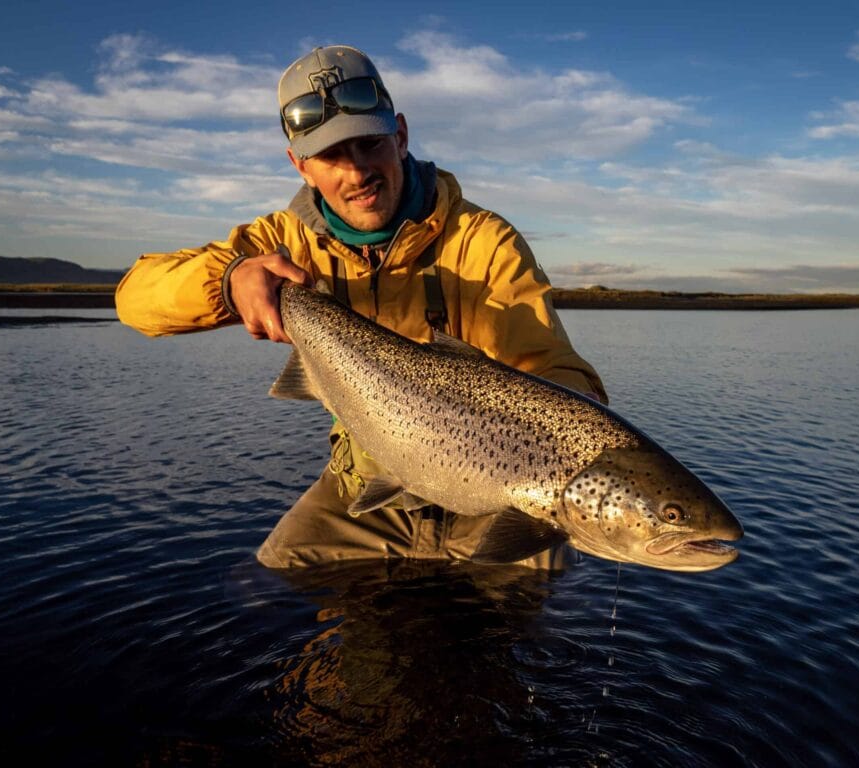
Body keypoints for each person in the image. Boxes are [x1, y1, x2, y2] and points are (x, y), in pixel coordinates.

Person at [116, 44, 608, 570]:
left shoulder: (484, 240)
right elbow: (135, 298)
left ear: (400, 136)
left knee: (534, 616)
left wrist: (589, 453)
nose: (356, 173)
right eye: (331, 156)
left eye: (369, 145)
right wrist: (229, 279)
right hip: (365, 493)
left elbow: (549, 366)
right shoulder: (281, 242)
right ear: (300, 166)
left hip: (495, 499)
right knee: (264, 590)